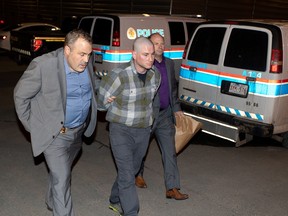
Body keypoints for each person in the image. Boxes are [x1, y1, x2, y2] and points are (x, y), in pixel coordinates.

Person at [14, 29, 100, 216]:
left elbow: (93, 87)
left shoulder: (86, 62)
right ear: (67, 50)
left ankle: (52, 201)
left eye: (89, 54)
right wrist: (35, 127)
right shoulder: (44, 65)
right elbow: (20, 96)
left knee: (61, 174)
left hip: (78, 132)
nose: (86, 60)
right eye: (82, 54)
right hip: (55, 136)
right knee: (62, 180)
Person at [98, 36, 161, 216]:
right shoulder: (118, 75)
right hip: (121, 130)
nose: (150, 58)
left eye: (152, 54)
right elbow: (100, 101)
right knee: (126, 174)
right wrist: (106, 102)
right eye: (145, 54)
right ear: (134, 54)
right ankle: (131, 212)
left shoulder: (155, 74)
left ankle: (115, 198)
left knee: (132, 170)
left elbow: (151, 100)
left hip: (143, 130)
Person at [135, 33, 189, 200]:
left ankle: (172, 188)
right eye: (156, 43)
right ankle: (137, 174)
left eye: (162, 43)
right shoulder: (145, 65)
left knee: (169, 151)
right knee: (140, 148)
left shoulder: (170, 64)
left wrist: (177, 108)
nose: (160, 46)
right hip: (148, 115)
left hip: (165, 115)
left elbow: (173, 89)